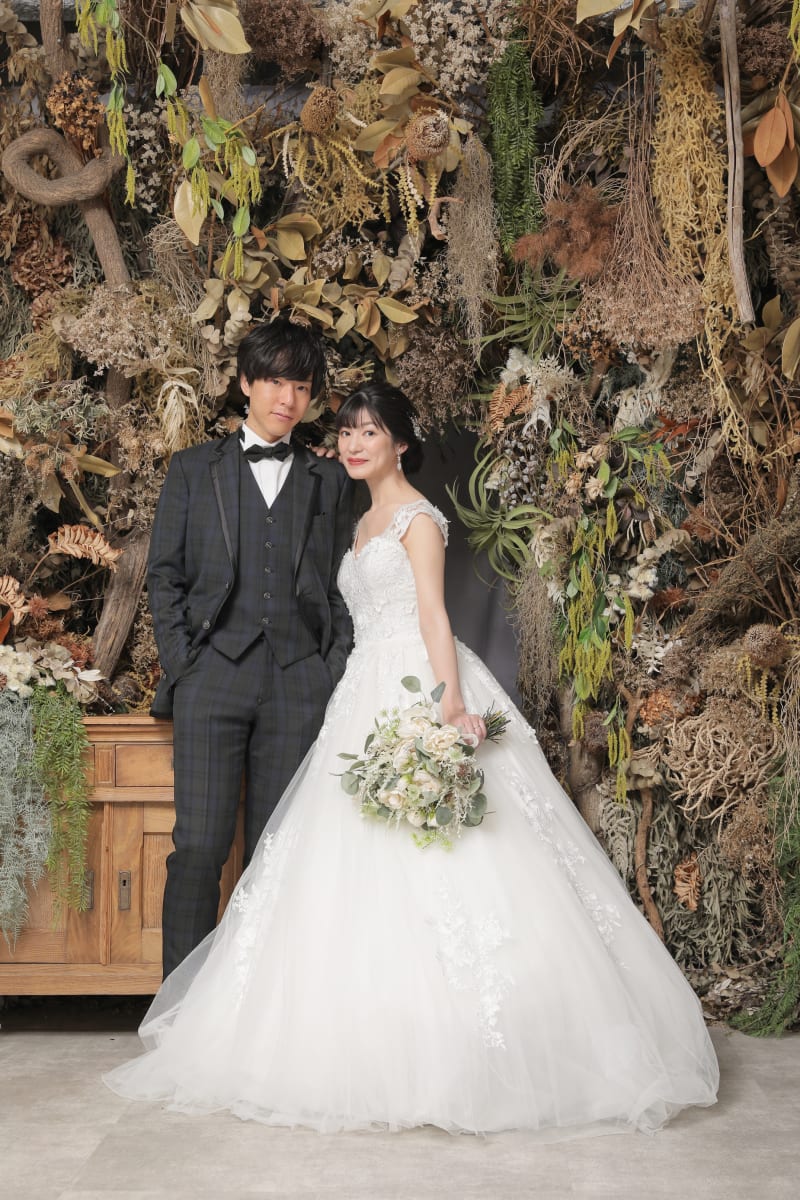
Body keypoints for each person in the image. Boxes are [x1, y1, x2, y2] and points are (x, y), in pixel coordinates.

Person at [105, 382, 718, 1136]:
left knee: (448, 857)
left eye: (371, 432)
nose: (354, 443)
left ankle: (464, 1042)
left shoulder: (419, 519)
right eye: (347, 432)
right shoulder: (359, 518)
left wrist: (449, 704)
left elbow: (433, 613)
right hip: (357, 688)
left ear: (401, 442)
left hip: (414, 682)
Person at [146, 316, 353, 979]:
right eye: (274, 382)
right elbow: (164, 576)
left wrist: (327, 671)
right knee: (198, 848)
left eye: (302, 386)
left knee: (279, 855)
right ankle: (178, 1007)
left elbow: (346, 583)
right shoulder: (192, 470)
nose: (288, 398)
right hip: (212, 677)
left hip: (299, 681)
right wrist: (186, 665)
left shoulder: (330, 481)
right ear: (245, 383)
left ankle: (262, 1010)